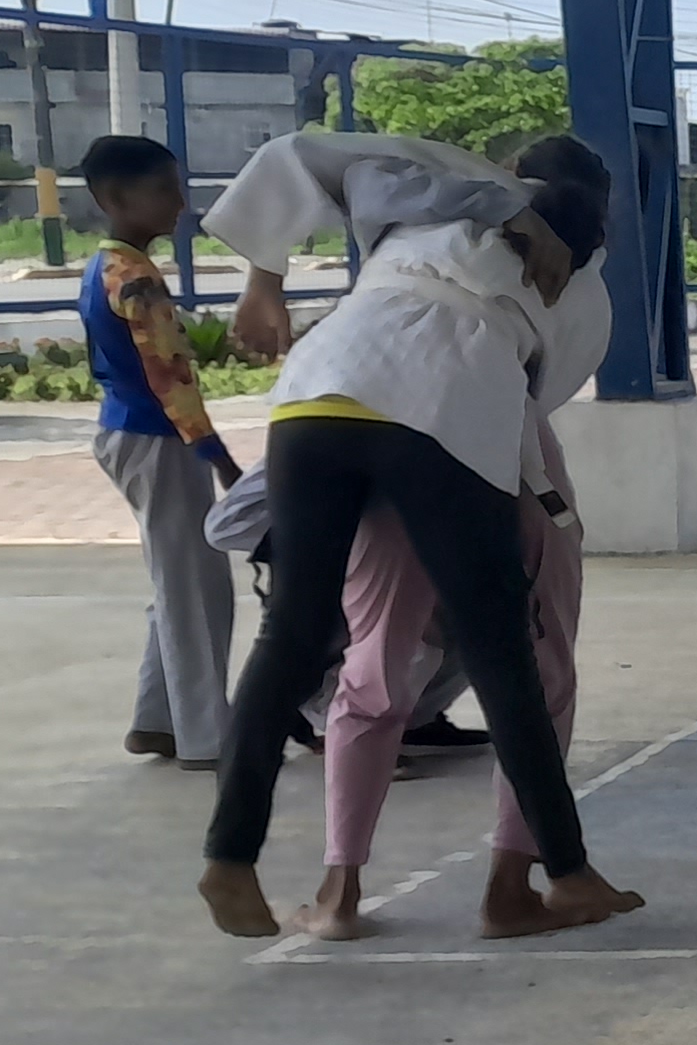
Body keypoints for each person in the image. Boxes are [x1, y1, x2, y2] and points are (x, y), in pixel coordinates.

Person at [197, 156, 637, 940]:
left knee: (296, 636)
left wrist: (265, 273)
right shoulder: (583, 283)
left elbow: (312, 155)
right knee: (505, 654)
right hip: (447, 414)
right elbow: (532, 400)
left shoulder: (419, 203)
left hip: (319, 390)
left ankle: (237, 857)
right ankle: (557, 876)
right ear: (600, 231)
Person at [75, 136, 243, 771]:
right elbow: (170, 377)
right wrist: (219, 458)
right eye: (165, 190)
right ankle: (208, 739)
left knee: (177, 582)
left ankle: (159, 720)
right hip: (158, 439)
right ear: (115, 198)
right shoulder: (136, 277)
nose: (180, 202)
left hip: (130, 432)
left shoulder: (105, 266)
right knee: (197, 592)